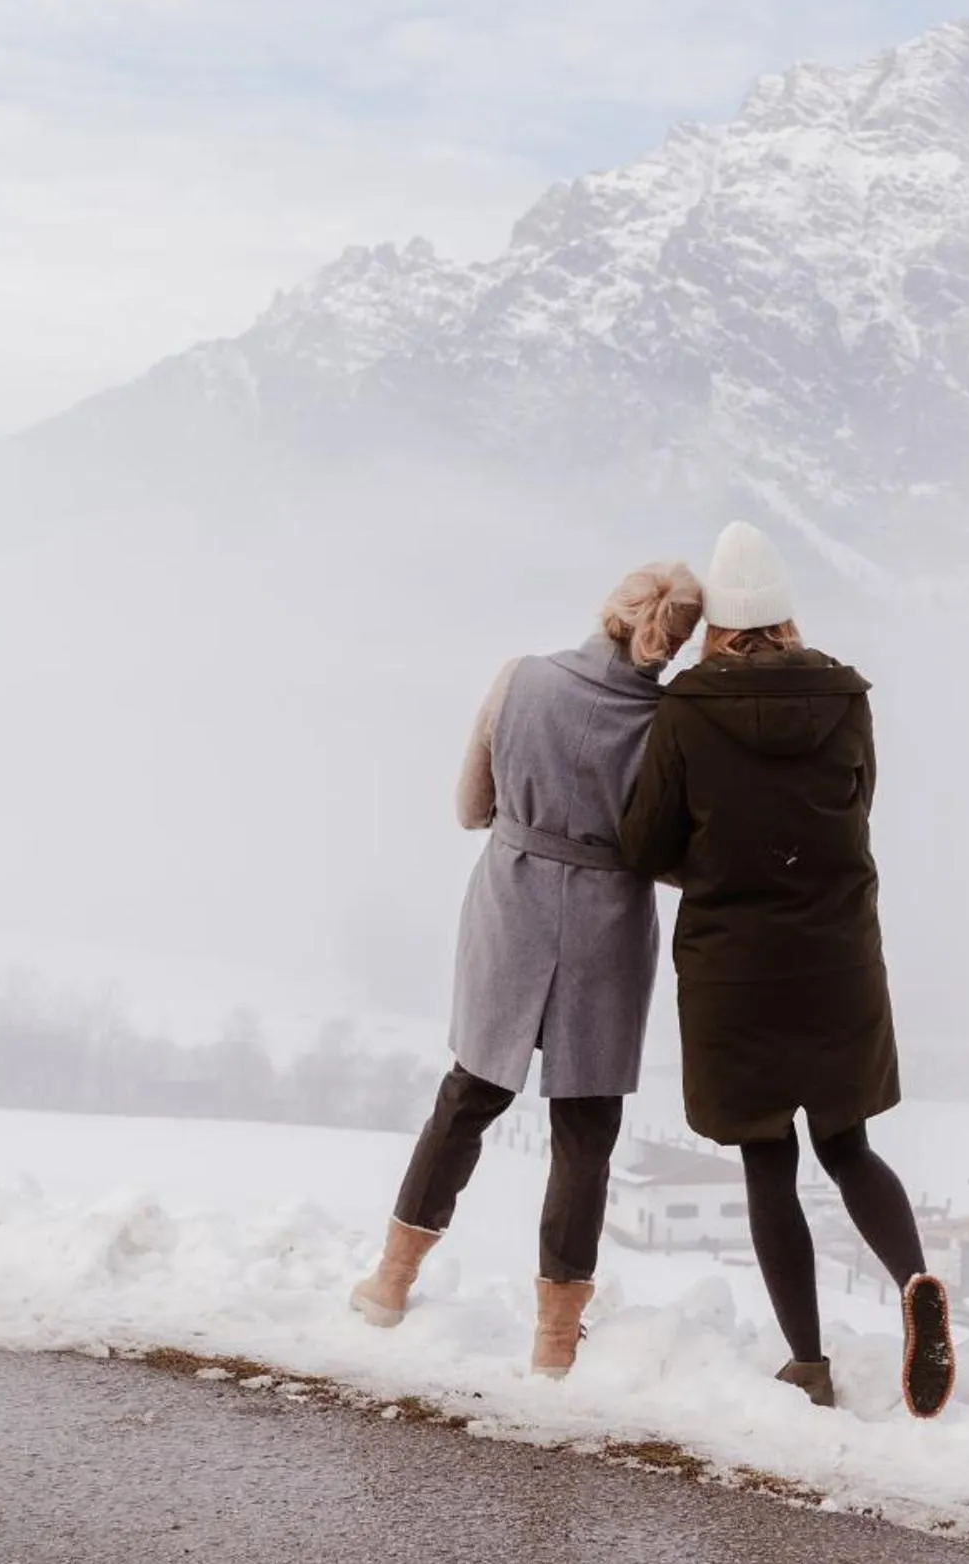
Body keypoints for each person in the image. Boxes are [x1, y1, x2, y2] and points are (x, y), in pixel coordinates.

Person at [618, 521, 955, 1418]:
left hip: (737, 970)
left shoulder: (687, 710)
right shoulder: (846, 698)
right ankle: (917, 1280)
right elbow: (855, 811)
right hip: (839, 959)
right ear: (788, 618)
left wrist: (721, 866)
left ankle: (807, 1363)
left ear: (716, 628)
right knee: (847, 1147)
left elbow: (645, 841)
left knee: (768, 1162)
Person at [349, 563, 704, 1378]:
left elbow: (472, 810)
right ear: (676, 641)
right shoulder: (673, 724)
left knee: (468, 1094)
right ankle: (552, 1341)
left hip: (511, 905)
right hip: (608, 925)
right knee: (585, 1130)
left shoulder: (519, 680)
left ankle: (390, 1283)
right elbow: (675, 859)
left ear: (610, 608)